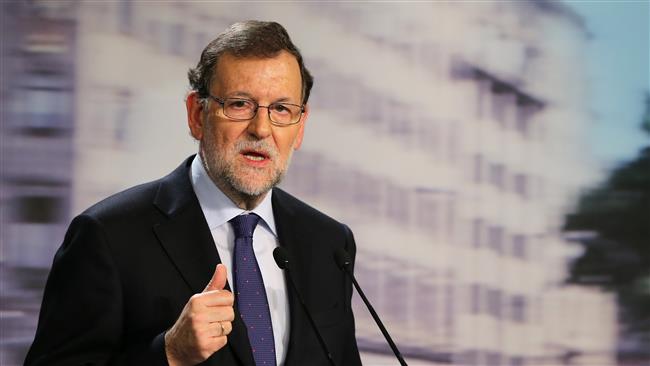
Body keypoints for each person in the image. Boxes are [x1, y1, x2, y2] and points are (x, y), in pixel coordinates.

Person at [25, 21, 362, 366]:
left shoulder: (329, 244)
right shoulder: (107, 236)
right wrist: (170, 353)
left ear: (300, 127)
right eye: (239, 104)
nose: (261, 129)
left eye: (280, 109)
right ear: (197, 115)